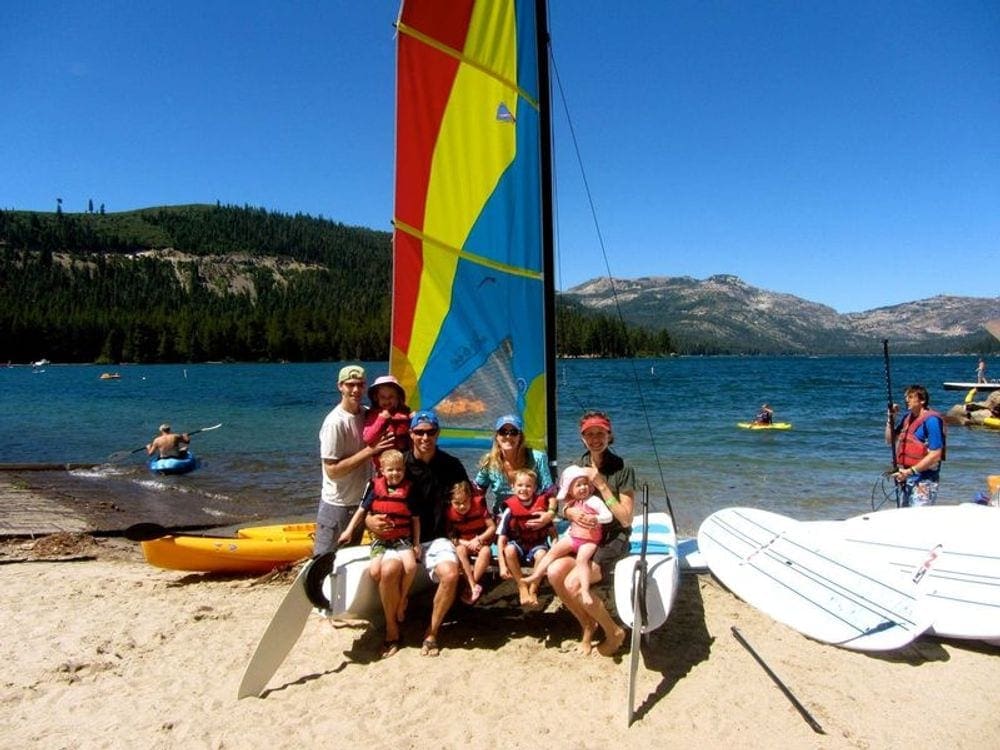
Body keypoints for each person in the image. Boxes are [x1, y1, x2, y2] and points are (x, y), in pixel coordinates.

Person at [365, 410, 468, 657]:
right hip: (400, 538)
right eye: (419, 432)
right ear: (410, 433)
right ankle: (392, 631)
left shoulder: (451, 466)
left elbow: (468, 502)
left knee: (451, 575)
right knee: (388, 571)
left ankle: (431, 632)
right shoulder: (398, 464)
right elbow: (369, 502)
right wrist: (370, 522)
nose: (425, 437)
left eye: (430, 432)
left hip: (436, 538)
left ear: (438, 433)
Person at [546, 410, 635, 656]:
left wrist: (602, 485)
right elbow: (562, 501)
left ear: (610, 435)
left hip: (612, 538)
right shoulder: (578, 464)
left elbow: (626, 518)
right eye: (589, 434)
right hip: (583, 537)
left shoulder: (622, 468)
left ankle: (613, 631)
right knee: (554, 572)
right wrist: (568, 512)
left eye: (600, 433)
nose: (595, 439)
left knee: (573, 583)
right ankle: (587, 623)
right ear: (582, 437)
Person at [336, 449, 419, 657]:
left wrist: (416, 543)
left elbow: (416, 519)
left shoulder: (409, 490)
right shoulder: (374, 487)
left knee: (409, 566)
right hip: (381, 541)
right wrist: (348, 531)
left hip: (401, 539)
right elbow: (362, 511)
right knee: (375, 572)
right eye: (390, 470)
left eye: (399, 470)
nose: (394, 474)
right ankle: (389, 607)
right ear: (381, 470)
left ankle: (401, 602)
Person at [314, 365, 396, 558]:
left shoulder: (367, 414)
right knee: (324, 560)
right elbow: (332, 470)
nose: (356, 390)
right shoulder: (335, 423)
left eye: (360, 385)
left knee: (349, 559)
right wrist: (370, 451)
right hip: (338, 505)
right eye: (350, 385)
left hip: (362, 504)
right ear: (340, 386)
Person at [522, 465, 614, 606]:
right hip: (574, 537)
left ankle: (584, 590)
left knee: (582, 561)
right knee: (553, 552)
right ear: (570, 490)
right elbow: (561, 505)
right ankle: (536, 575)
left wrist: (597, 519)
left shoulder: (594, 501)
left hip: (589, 540)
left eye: (585, 484)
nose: (583, 488)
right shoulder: (572, 502)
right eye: (578, 485)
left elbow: (608, 516)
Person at [475, 414, 555, 520]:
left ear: (520, 437)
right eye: (503, 432)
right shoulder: (490, 461)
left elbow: (549, 492)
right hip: (501, 517)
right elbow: (477, 491)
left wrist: (550, 513)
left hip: (531, 516)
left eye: (513, 432)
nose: (508, 436)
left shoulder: (537, 457)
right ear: (497, 437)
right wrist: (482, 516)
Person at [496, 468, 557, 608]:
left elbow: (553, 532)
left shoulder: (541, 507)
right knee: (509, 550)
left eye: (528, 486)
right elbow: (501, 539)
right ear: (513, 487)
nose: (524, 489)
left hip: (537, 544)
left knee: (542, 554)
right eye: (520, 485)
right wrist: (502, 565)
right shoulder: (509, 510)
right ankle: (522, 586)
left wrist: (554, 549)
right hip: (518, 543)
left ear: (535, 488)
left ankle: (533, 589)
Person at [885, 385, 946, 507]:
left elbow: (936, 454)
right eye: (906, 397)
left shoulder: (932, 420)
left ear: (922, 400)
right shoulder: (907, 419)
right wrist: (890, 418)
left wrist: (910, 471)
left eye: (911, 397)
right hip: (906, 479)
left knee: (918, 520)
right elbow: (889, 439)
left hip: (924, 481)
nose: (907, 400)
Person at [445, 480, 496, 605]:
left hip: (480, 541)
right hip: (464, 543)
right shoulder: (449, 513)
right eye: (457, 503)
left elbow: (492, 528)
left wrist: (479, 539)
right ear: (451, 502)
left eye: (465, 502)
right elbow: (450, 536)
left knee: (486, 551)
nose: (462, 506)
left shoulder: (479, 506)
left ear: (470, 499)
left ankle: (471, 586)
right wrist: (465, 543)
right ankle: (473, 586)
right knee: (460, 550)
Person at [362, 375, 412, 473]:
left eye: (391, 397)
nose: (387, 400)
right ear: (376, 398)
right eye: (383, 397)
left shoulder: (405, 415)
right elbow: (367, 438)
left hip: (403, 464)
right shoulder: (374, 416)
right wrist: (382, 419)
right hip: (383, 467)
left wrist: (415, 418)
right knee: (382, 487)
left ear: (398, 398)